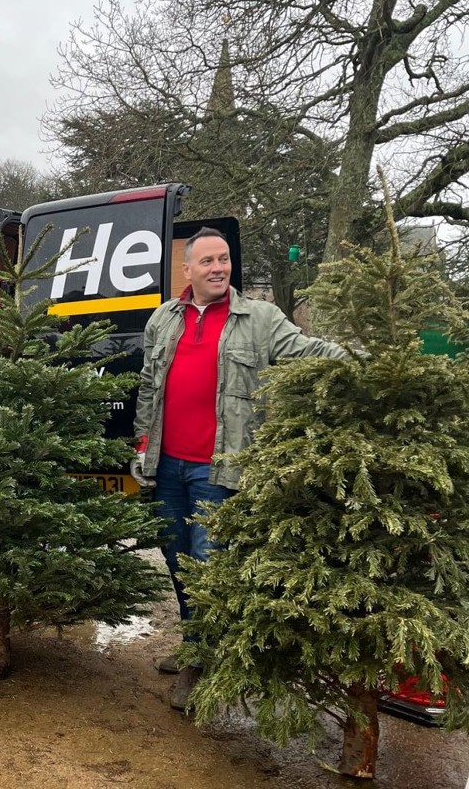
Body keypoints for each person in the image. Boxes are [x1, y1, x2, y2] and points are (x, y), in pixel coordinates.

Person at [133, 227, 347, 711]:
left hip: (220, 469)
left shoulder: (260, 317)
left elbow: (309, 351)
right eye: (206, 261)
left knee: (209, 564)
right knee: (178, 559)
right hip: (167, 465)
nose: (217, 268)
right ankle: (196, 641)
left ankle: (200, 663)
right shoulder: (164, 319)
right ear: (187, 270)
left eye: (223, 259)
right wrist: (142, 447)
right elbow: (150, 387)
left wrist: (360, 358)